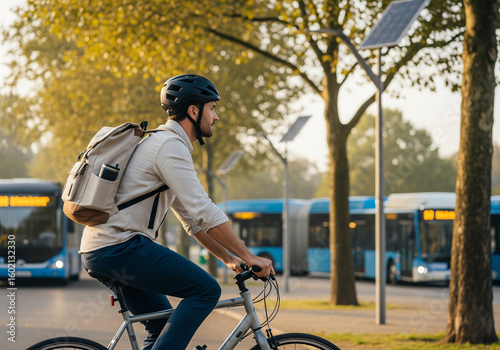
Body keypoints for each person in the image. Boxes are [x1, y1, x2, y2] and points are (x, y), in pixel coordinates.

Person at [79, 74, 274, 350]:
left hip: (104, 250)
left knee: (161, 327)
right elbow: (204, 210)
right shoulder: (169, 147)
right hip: (120, 248)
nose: (216, 117)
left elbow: (192, 221)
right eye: (212, 108)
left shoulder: (164, 144)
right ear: (193, 111)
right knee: (206, 290)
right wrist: (249, 256)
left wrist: (228, 258)